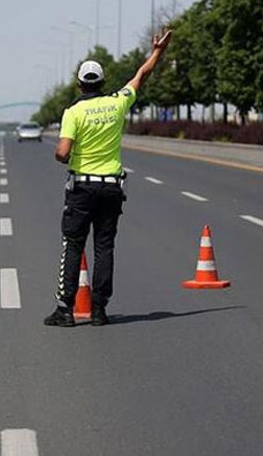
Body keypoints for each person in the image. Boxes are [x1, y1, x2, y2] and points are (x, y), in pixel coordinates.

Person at [44, 31, 173, 327]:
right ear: (102, 82)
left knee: (73, 244)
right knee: (105, 247)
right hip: (112, 188)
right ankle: (99, 310)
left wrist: (68, 151)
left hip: (82, 188)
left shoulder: (73, 112)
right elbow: (141, 75)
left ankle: (65, 309)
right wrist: (158, 51)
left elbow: (62, 152)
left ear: (79, 83)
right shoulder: (117, 103)